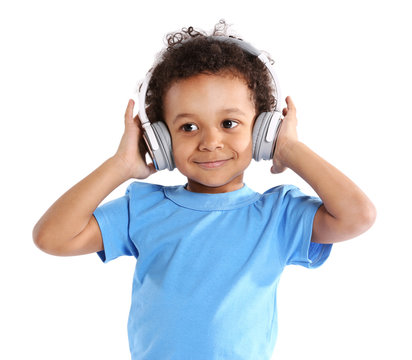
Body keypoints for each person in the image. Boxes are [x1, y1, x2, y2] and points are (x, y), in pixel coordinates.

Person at [32, 20, 376, 360]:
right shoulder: (143, 208)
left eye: (229, 123)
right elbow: (52, 238)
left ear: (262, 130)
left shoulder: (279, 215)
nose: (210, 142)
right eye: (188, 126)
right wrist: (120, 166)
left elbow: (358, 216)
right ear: (161, 140)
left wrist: (290, 150)